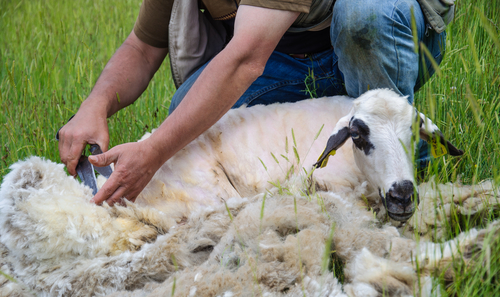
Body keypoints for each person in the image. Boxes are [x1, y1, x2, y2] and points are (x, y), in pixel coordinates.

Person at [57, 0, 455, 206]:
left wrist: (153, 150)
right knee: (187, 113)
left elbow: (245, 58)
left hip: (380, 30)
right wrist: (94, 105)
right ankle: (310, 156)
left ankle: (401, 164)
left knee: (364, 17)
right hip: (284, 51)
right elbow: (143, 47)